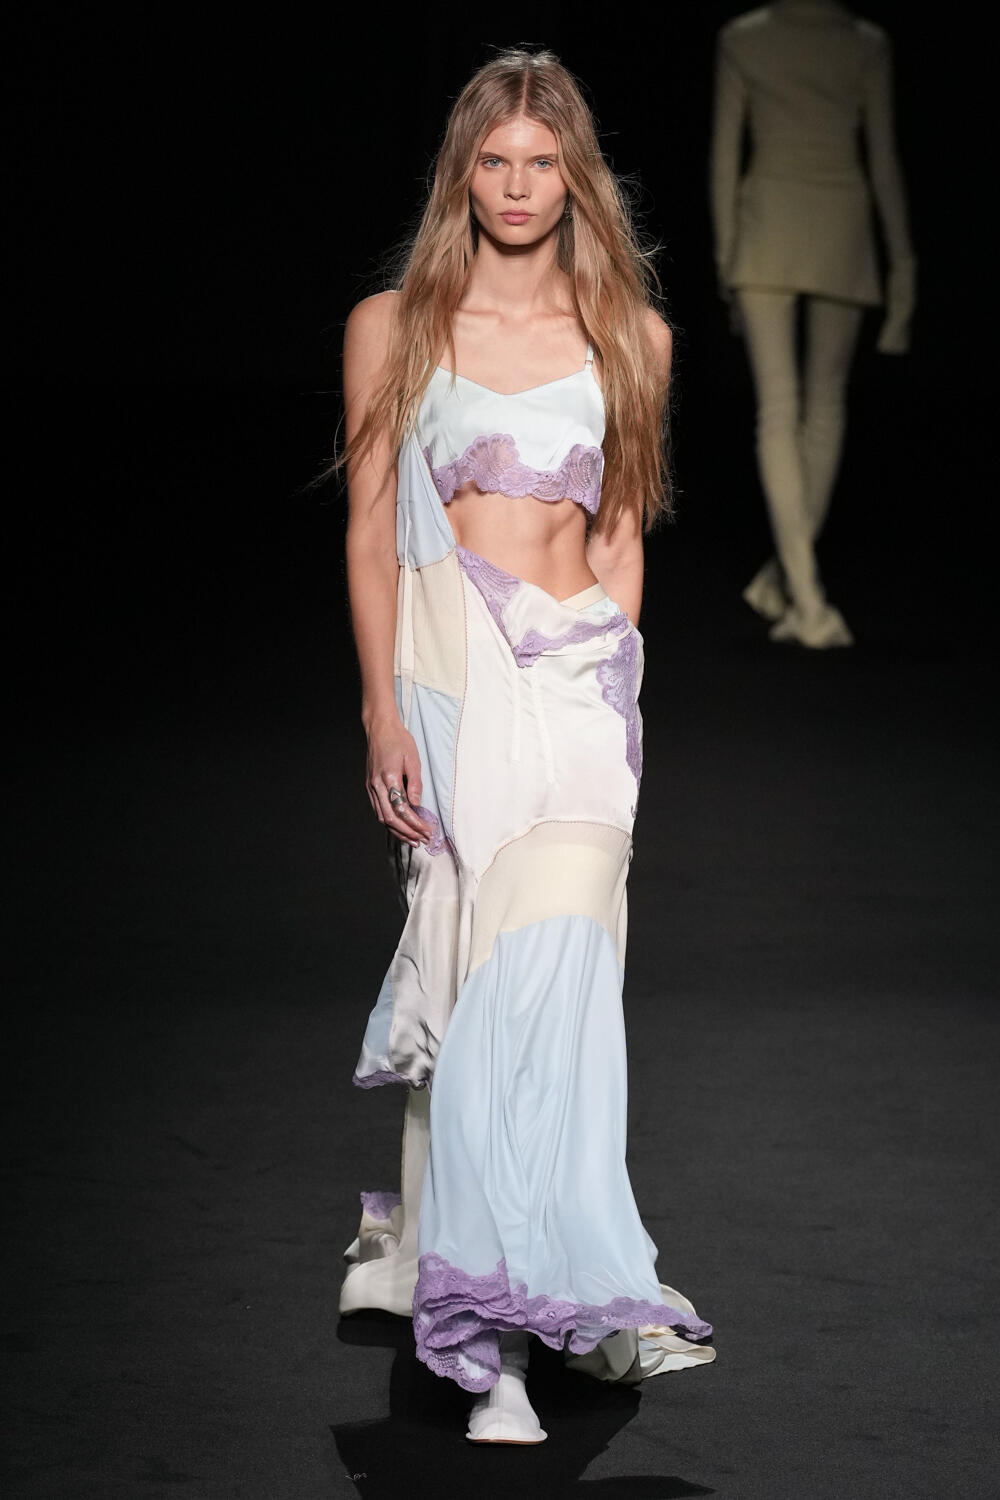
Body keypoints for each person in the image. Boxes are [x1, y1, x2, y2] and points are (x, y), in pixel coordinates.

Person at [337, 48, 715, 1445]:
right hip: (450, 688)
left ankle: (571, 1294)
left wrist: (616, 690)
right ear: (463, 172)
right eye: (492, 162)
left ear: (574, 176)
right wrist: (382, 712)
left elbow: (618, 538)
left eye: (540, 163)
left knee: (565, 992)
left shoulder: (632, 337)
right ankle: (485, 1336)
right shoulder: (395, 325)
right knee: (471, 983)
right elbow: (370, 532)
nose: (515, 186)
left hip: (578, 694)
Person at [710, 0, 916, 648]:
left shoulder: (745, 39)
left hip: (767, 226)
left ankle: (794, 589)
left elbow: (724, 158)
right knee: (821, 407)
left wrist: (726, 260)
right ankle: (806, 600)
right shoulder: (864, 43)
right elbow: (883, 159)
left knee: (781, 411)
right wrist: (903, 268)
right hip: (839, 224)